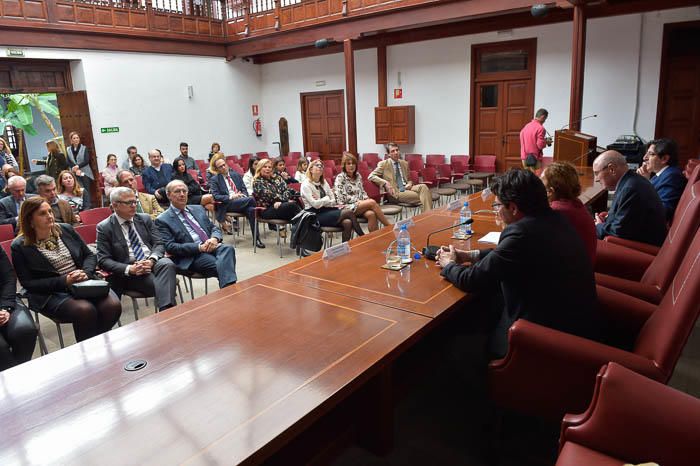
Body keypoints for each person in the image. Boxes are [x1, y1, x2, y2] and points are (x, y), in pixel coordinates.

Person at [436, 169, 601, 358]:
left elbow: (471, 279)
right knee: (485, 302)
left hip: (541, 335)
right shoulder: (554, 218)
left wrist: (448, 265)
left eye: (497, 205)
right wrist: (469, 255)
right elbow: (508, 255)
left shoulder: (522, 233)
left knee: (456, 343)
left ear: (513, 208)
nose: (496, 210)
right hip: (572, 320)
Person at [11, 197, 122, 342]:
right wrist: (65, 281)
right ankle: (89, 350)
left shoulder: (65, 229)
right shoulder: (19, 246)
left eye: (50, 211)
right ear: (30, 220)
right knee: (85, 310)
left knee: (112, 306)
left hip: (84, 282)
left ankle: (95, 344)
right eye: (42, 213)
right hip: (52, 293)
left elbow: (89, 255)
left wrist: (85, 272)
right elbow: (28, 283)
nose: (49, 216)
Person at [97, 187, 177, 312]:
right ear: (115, 205)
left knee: (167, 263)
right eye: (129, 203)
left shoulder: (144, 218)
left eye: (135, 201)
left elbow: (159, 243)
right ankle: (170, 313)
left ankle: (167, 313)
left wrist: (151, 260)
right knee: (165, 285)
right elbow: (103, 260)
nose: (134, 206)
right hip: (131, 272)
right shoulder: (105, 227)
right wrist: (130, 269)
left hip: (152, 262)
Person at [156, 180, 237, 289]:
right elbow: (170, 247)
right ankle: (231, 294)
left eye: (184, 191)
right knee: (224, 266)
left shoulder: (197, 209)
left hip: (211, 246)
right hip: (192, 255)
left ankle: (229, 294)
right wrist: (199, 248)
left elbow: (213, 227)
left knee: (228, 249)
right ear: (169, 195)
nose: (182, 194)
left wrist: (214, 238)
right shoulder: (162, 220)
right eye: (177, 191)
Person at [593, 151, 667, 246]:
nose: (596, 179)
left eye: (596, 173)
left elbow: (617, 232)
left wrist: (598, 226)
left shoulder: (631, 189)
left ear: (612, 169)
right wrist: (607, 218)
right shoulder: (631, 181)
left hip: (639, 251)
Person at [541, 162, 596, 264]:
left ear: (550, 191)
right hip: (583, 269)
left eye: (541, 184)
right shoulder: (575, 203)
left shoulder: (557, 211)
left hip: (573, 276)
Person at [301, 159, 364, 243]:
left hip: (326, 210)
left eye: (321, 166)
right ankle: (364, 237)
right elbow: (315, 205)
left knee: (347, 222)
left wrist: (322, 201)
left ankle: (344, 250)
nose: (320, 167)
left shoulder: (323, 182)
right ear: (311, 169)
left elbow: (334, 200)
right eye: (317, 165)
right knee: (348, 212)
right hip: (314, 215)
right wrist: (326, 199)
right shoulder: (306, 184)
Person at [209, 157, 264, 248]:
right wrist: (231, 196)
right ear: (217, 169)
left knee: (251, 210)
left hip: (242, 201)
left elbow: (244, 189)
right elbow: (216, 196)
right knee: (252, 200)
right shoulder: (215, 179)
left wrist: (242, 195)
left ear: (227, 164)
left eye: (224, 165)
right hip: (228, 204)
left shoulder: (235, 175)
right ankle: (262, 214)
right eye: (220, 167)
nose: (223, 167)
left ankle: (256, 239)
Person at [0, 246, 37, 371]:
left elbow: (9, 278)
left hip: (4, 299)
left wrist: (5, 308)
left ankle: (18, 375)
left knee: (25, 330)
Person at [334, 152, 391, 232]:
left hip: (359, 205)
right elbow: (342, 198)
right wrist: (359, 201)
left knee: (371, 214)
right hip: (346, 207)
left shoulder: (358, 176)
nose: (351, 166)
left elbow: (362, 192)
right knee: (371, 202)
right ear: (344, 165)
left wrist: (365, 198)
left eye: (353, 163)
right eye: (348, 164)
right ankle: (389, 226)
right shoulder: (340, 178)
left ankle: (375, 239)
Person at [369, 142, 432, 213]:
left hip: (407, 188)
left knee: (423, 187)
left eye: (397, 150)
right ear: (389, 154)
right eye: (393, 151)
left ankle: (427, 216)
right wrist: (385, 183)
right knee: (425, 196)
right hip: (396, 192)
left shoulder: (404, 163)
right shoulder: (384, 164)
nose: (396, 152)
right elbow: (371, 176)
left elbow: (409, 179)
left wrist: (410, 183)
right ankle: (428, 217)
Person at [636, 138, 687, 221]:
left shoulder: (672, 176)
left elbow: (663, 211)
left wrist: (645, 184)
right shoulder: (660, 174)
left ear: (664, 159)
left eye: (651, 154)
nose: (645, 158)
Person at [253, 158, 301, 233]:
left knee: (296, 214)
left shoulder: (277, 178)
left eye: (269, 167)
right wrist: (284, 200)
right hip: (266, 210)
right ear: (260, 168)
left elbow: (288, 190)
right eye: (265, 167)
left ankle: (300, 235)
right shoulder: (257, 182)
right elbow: (271, 197)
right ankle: (306, 233)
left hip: (280, 206)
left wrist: (281, 201)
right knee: (293, 207)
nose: (267, 169)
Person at [66, 131, 95, 209]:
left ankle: (88, 206)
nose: (76, 139)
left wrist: (78, 166)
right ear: (71, 140)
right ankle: (80, 206)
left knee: (86, 189)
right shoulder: (68, 149)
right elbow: (68, 161)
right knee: (78, 189)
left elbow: (86, 160)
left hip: (84, 172)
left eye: (77, 138)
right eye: (74, 138)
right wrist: (75, 169)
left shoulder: (84, 148)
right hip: (74, 172)